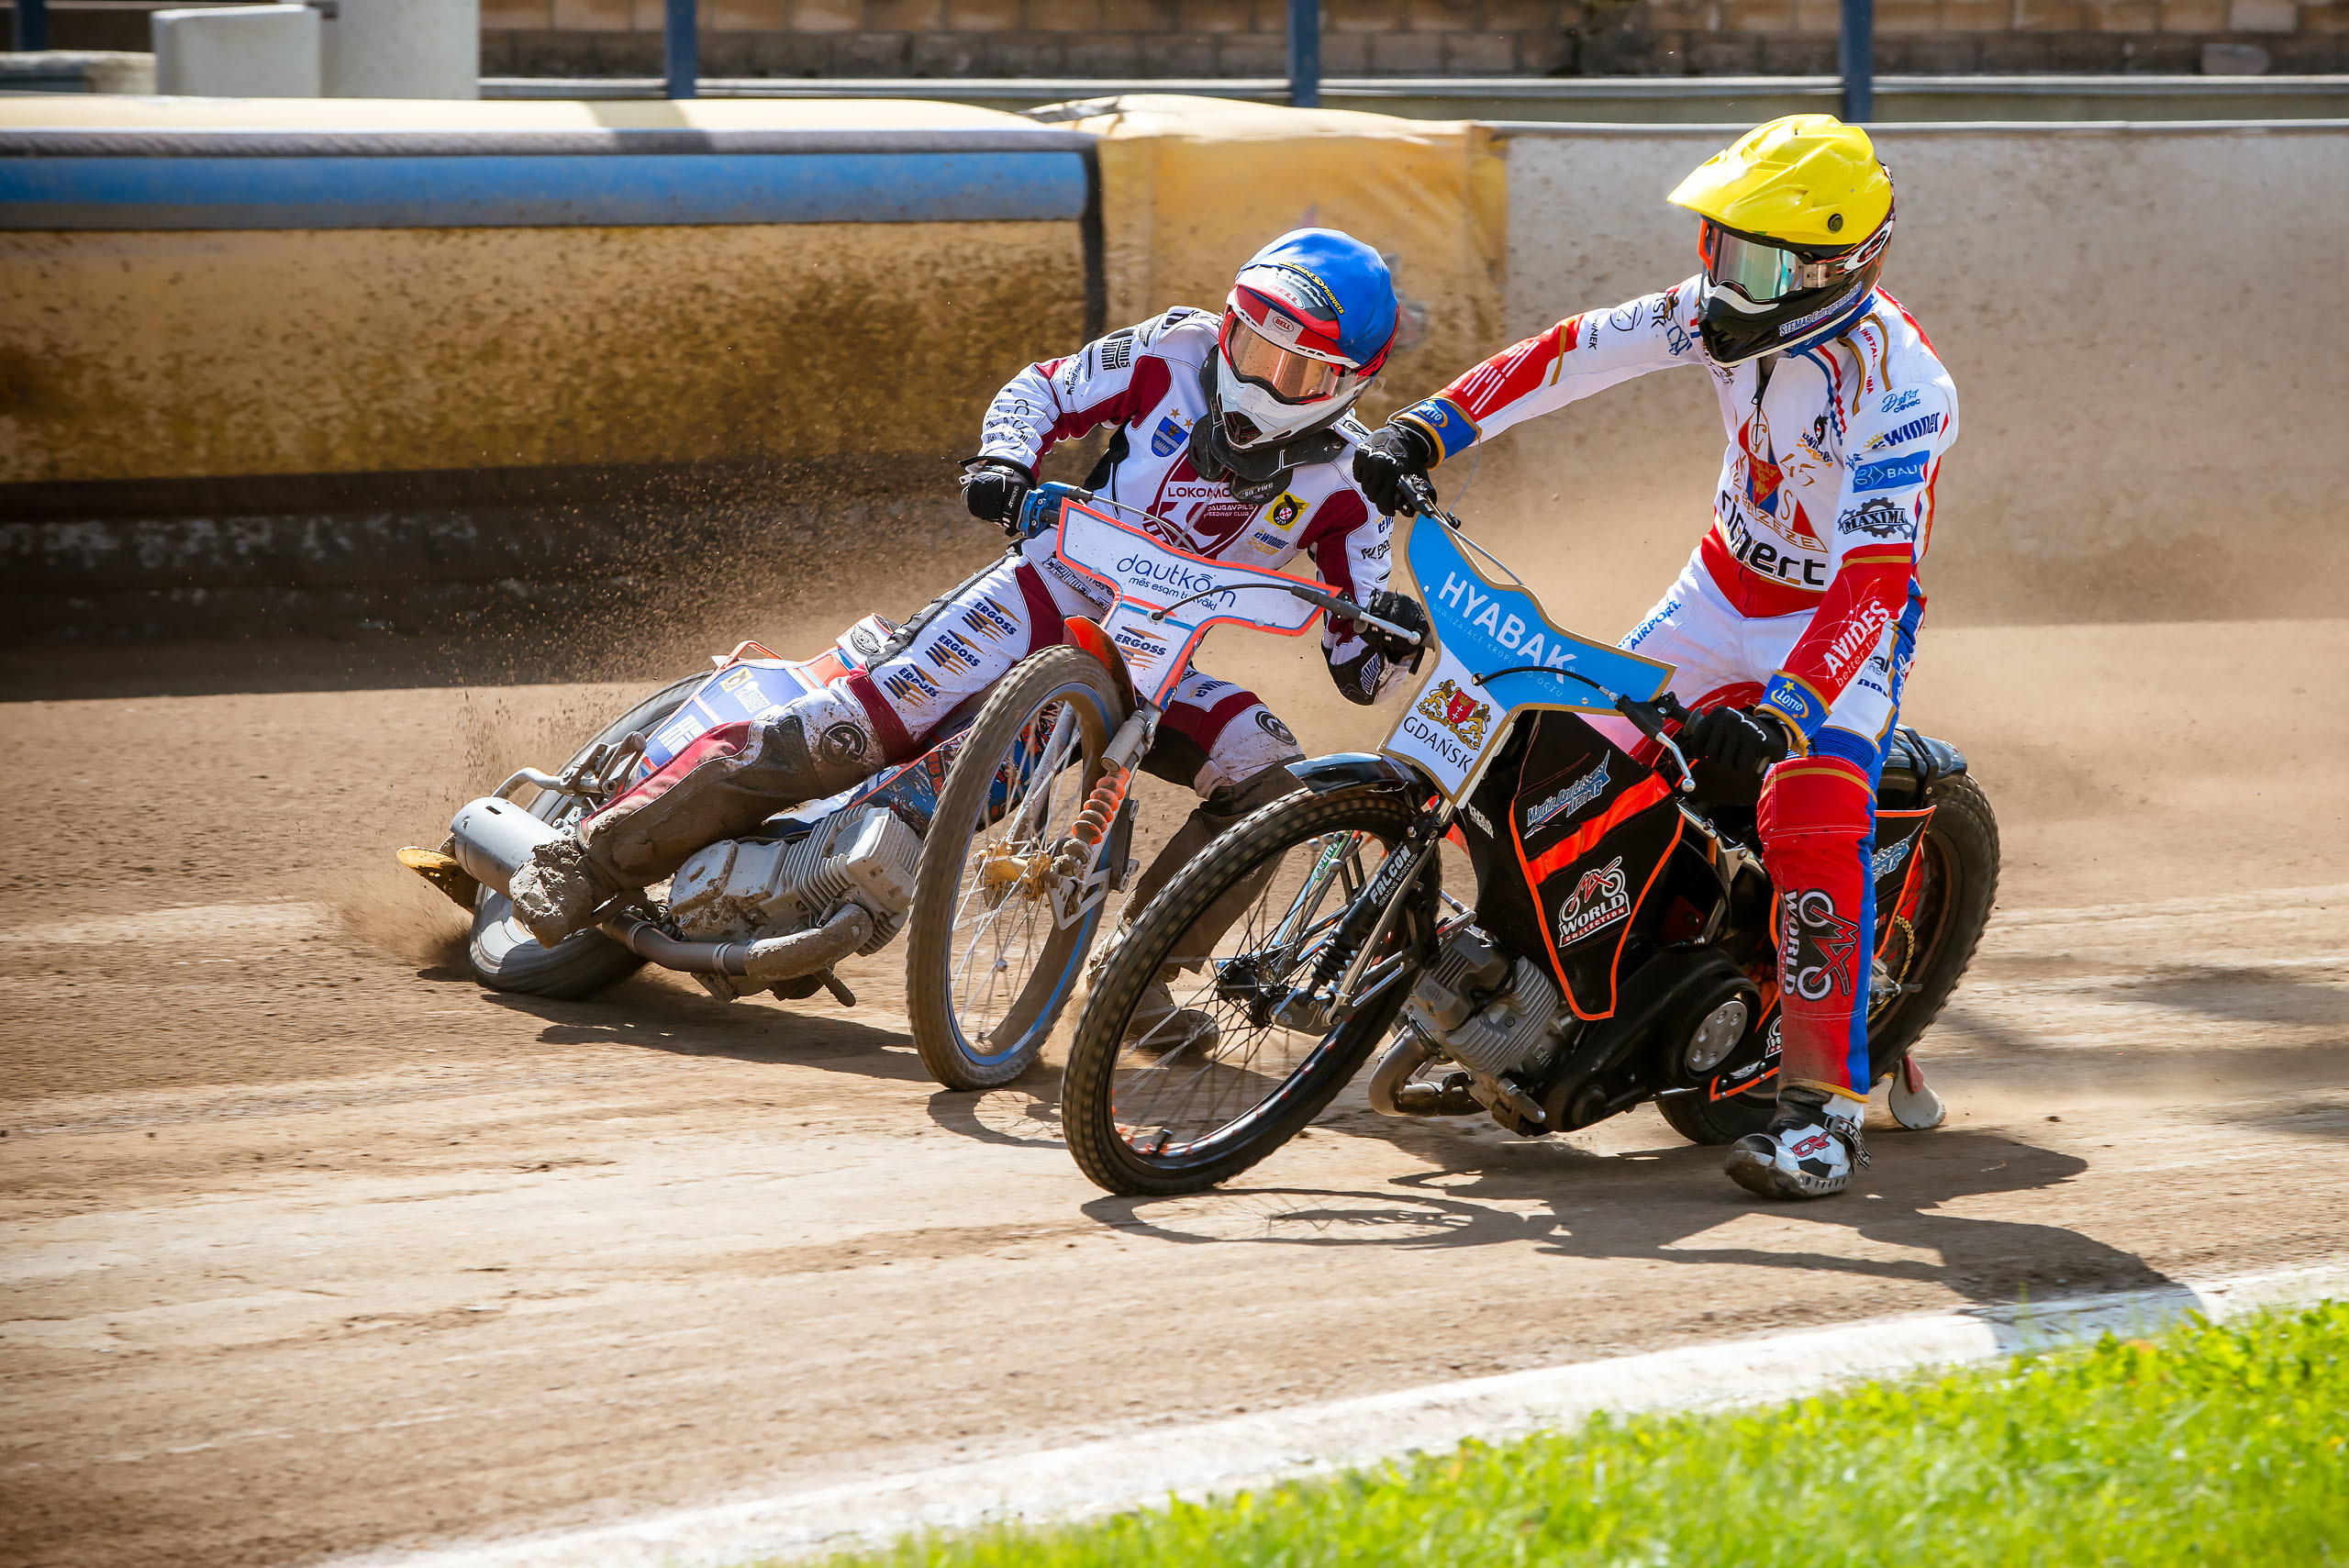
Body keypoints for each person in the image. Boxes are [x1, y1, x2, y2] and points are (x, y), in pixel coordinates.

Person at [510, 228, 1430, 1034]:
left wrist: (1392, 632)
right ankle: (586, 857)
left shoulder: (1353, 484)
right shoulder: (1173, 345)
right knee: (841, 733)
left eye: (1292, 368)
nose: (1254, 373)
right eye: (1247, 338)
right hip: (1043, 588)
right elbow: (1042, 389)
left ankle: (1136, 982)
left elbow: (1358, 665)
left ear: (1350, 385)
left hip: (1164, 663)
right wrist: (1002, 458)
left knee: (1270, 776)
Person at [1352, 116, 1957, 1200]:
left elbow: (1871, 581)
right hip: (1719, 589)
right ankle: (1521, 1008)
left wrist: (1786, 710)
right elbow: (1568, 354)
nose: (1720, 280)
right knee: (1550, 752)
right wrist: (1428, 427)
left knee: (1807, 819)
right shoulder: (1719, 313)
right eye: (1716, 247)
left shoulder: (1902, 386)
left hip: (1835, 631)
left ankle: (1823, 1114)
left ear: (1834, 265)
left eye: (1755, 259)